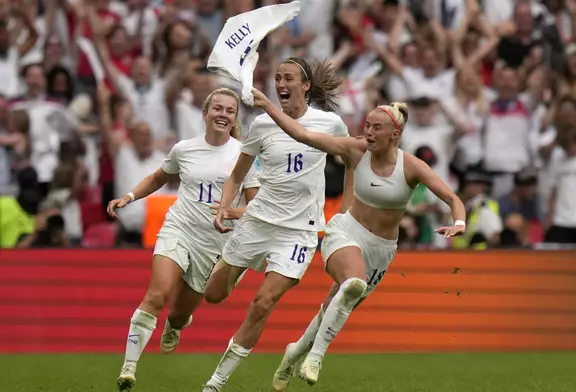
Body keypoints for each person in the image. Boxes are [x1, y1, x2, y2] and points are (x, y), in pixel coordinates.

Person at [248, 88, 467, 389]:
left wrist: (459, 222)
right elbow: (302, 135)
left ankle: (296, 351)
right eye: (367, 125)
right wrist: (268, 105)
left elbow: (452, 198)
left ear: (395, 133)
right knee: (352, 284)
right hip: (346, 230)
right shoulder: (355, 149)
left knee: (337, 304)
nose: (369, 132)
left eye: (378, 127)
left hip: (382, 250)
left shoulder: (411, 166)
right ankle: (316, 357)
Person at [200, 57, 353, 392]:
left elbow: (354, 159)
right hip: (258, 221)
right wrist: (225, 207)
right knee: (212, 295)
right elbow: (238, 175)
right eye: (278, 78)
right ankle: (235, 268)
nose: (281, 84)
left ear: (305, 86)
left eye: (288, 78)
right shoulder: (261, 125)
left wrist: (349, 209)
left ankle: (216, 382)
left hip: (299, 232)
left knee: (263, 303)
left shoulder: (329, 123)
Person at [107, 87, 261, 392]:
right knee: (157, 295)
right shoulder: (184, 148)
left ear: (234, 119)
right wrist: (129, 196)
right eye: (217, 108)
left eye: (230, 110)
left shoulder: (244, 155)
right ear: (204, 114)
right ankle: (128, 368)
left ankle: (175, 325)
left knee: (178, 314)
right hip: (179, 229)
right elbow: (158, 177)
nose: (223, 114)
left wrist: (232, 212)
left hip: (214, 244)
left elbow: (256, 204)